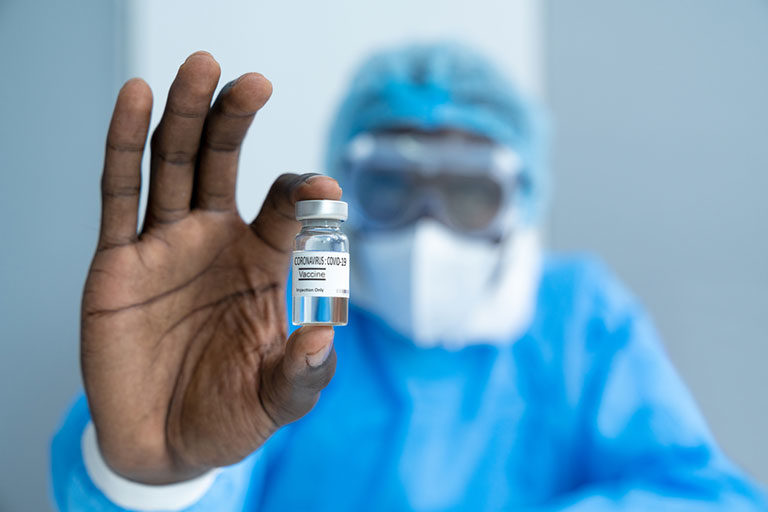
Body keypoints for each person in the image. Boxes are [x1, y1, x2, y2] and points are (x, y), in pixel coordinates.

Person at [50, 43, 767, 511]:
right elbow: (211, 475)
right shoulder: (283, 314)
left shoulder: (579, 317)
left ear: (521, 198)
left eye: (466, 193)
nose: (428, 228)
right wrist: (159, 477)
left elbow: (708, 496)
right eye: (393, 186)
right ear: (348, 184)